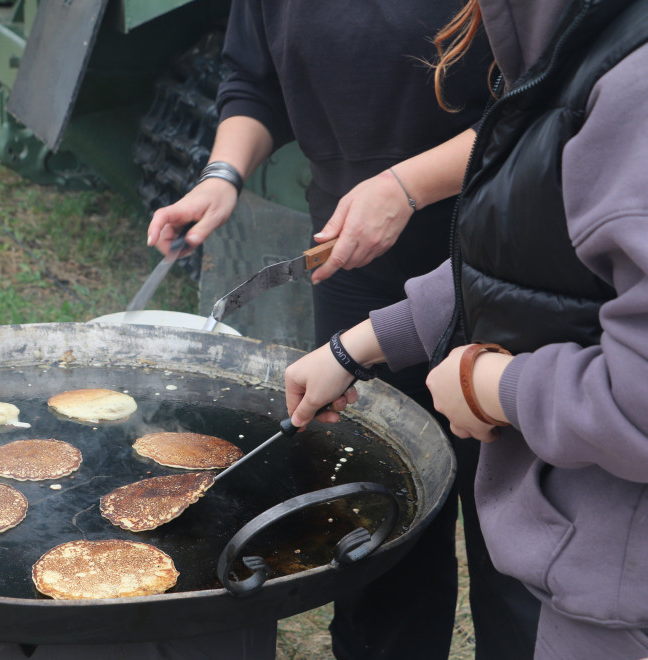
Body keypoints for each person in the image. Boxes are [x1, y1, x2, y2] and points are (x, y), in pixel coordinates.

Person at [146, 2, 540, 658]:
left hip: (511, 261)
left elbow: (551, 103)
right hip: (356, 267)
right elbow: (254, 78)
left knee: (516, 549)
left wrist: (406, 186)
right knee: (376, 527)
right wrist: (223, 175)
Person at [285, 0, 648, 657]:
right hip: (580, 566)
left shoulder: (635, 86)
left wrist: (490, 385)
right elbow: (525, 260)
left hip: (617, 592)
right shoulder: (576, 47)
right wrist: (355, 347)